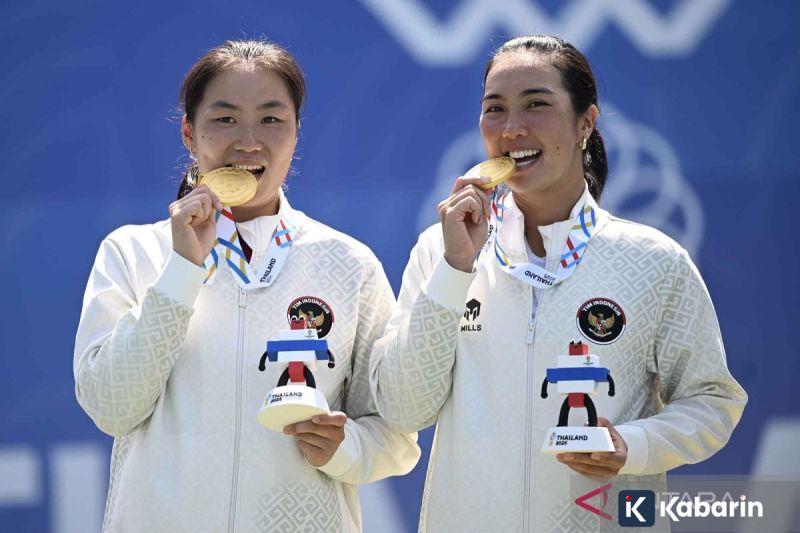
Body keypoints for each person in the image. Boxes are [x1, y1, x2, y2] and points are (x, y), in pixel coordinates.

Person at [369, 34, 747, 531]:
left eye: (536, 105)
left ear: (586, 122)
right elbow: (402, 408)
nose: (512, 129)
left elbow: (713, 402)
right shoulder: (442, 252)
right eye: (495, 109)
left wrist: (632, 446)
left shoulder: (653, 261)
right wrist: (455, 270)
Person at [74, 39, 419, 532]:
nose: (249, 141)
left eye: (271, 119)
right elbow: (110, 405)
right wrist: (181, 271)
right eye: (225, 118)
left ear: (297, 133)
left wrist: (347, 450)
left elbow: (396, 430)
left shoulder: (347, 263)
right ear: (189, 133)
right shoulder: (134, 253)